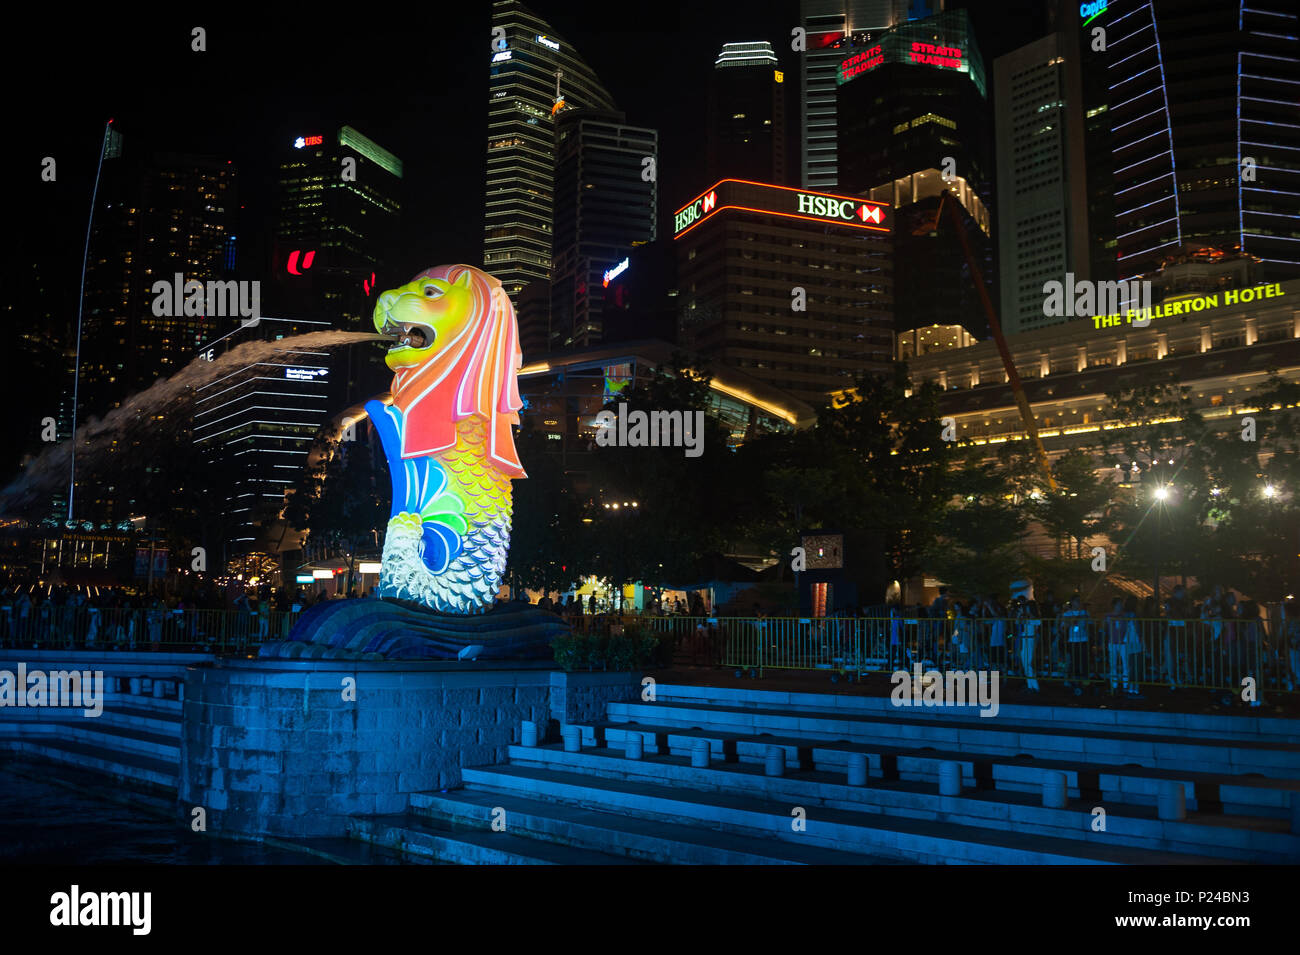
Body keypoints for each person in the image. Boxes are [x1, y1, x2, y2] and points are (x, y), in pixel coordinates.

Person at [1061, 595, 1090, 692]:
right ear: (1072, 602)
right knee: (1075, 662)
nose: (1079, 603)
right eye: (1077, 601)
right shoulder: (1067, 614)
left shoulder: (1085, 612)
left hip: (1084, 640)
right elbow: (1063, 627)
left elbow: (1090, 624)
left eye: (1079, 601)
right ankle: (1076, 682)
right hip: (1073, 641)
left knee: (1085, 662)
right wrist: (1070, 622)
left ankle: (1086, 683)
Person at [1164, 584, 1189, 689]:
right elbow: (1170, 613)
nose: (1184, 594)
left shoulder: (1181, 602)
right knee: (1172, 655)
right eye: (1182, 592)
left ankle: (1177, 678)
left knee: (1178, 654)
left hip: (1179, 629)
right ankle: (1174, 678)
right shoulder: (1170, 602)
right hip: (1173, 629)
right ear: (1177, 592)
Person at [1104, 597, 1131, 696]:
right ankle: (1114, 685)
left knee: (1125, 664)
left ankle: (1125, 685)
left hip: (1123, 642)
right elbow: (1105, 628)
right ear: (1114, 605)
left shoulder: (1124, 615)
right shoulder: (1108, 616)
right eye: (1119, 604)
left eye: (1121, 604)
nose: (1121, 606)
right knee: (1113, 664)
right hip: (1113, 642)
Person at [1017, 599, 1042, 694]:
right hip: (1025, 640)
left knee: (1028, 664)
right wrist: (1020, 614)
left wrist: (1025, 614)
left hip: (1030, 641)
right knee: (1025, 664)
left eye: (1027, 607)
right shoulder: (1027, 617)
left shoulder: (1036, 619)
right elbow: (1017, 622)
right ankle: (1030, 686)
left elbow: (1036, 628)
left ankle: (1035, 687)